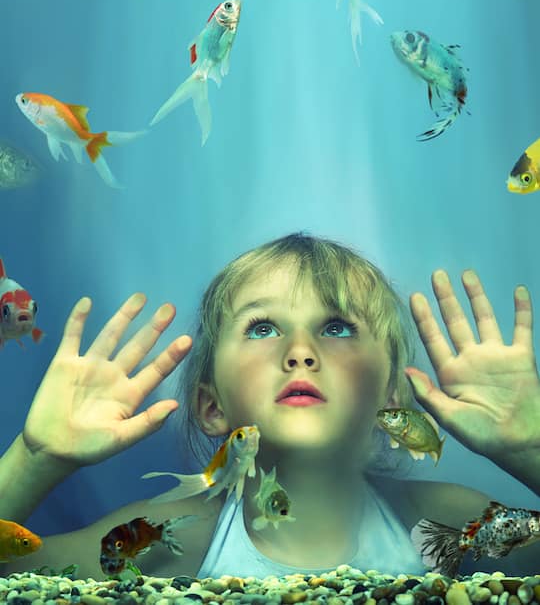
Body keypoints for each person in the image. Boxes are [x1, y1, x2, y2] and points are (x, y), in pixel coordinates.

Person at [0, 233, 538, 579]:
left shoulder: (446, 521)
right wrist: (35, 456)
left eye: (336, 327)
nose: (300, 352)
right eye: (262, 328)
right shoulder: (174, 539)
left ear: (391, 394)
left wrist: (530, 450)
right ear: (212, 406)